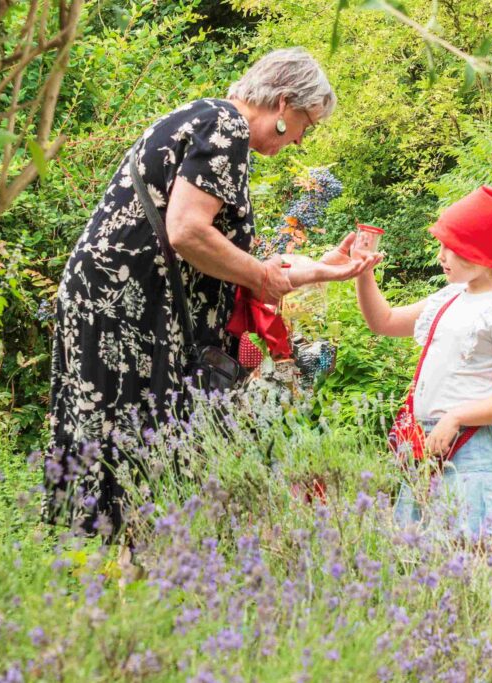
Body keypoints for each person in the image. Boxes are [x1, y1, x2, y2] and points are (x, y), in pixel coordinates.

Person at [47, 48, 377, 535]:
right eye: (308, 123)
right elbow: (187, 231)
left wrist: (320, 270)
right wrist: (263, 277)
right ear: (284, 103)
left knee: (122, 462)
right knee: (132, 464)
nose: (303, 139)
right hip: (128, 318)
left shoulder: (206, 119)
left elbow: (226, 256)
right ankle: (112, 584)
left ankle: (111, 581)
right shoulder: (226, 126)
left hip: (125, 313)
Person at [353, 184, 492, 540]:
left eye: (453, 248)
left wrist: (456, 417)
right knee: (420, 572)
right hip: (425, 446)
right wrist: (363, 272)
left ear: (481, 251)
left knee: (467, 566)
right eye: (443, 245)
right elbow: (382, 321)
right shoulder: (448, 297)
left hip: (470, 450)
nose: (442, 256)